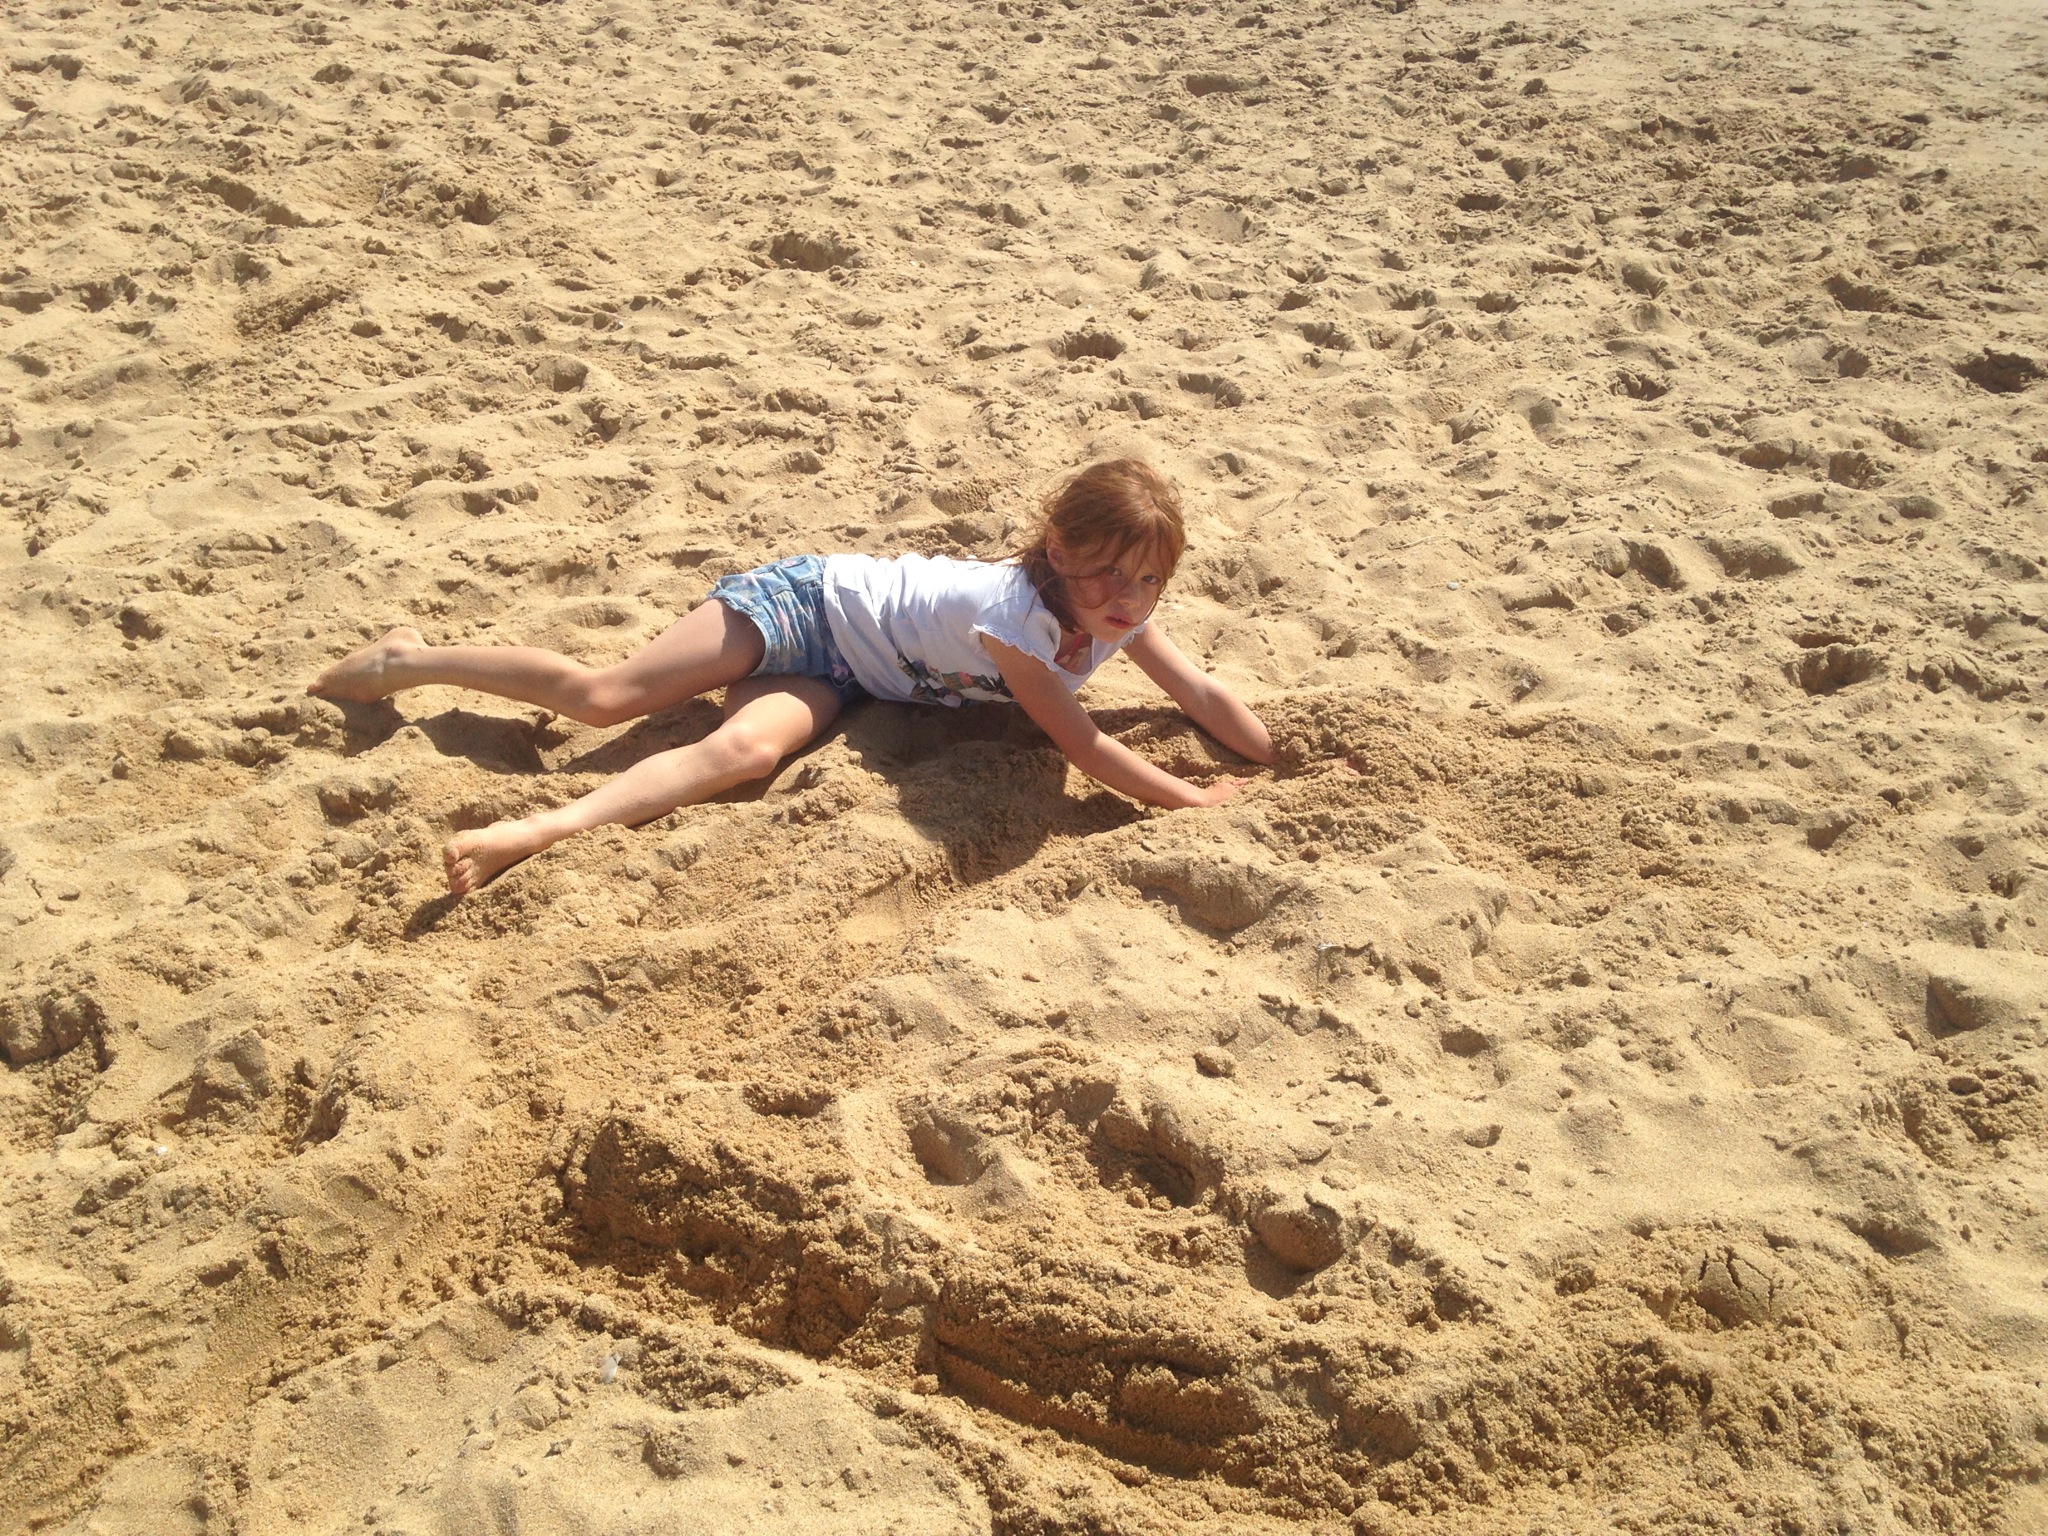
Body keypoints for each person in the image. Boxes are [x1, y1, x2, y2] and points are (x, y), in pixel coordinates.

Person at [307, 458, 1274, 894]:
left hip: (857, 680)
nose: (1128, 600)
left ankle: (540, 829)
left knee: (742, 753)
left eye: (1149, 581)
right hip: (809, 607)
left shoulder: (1119, 616)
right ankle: (408, 657)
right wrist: (1196, 800)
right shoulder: (1016, 622)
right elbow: (1087, 747)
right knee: (606, 700)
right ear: (1058, 551)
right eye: (1108, 574)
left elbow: (1199, 694)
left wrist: (1272, 760)